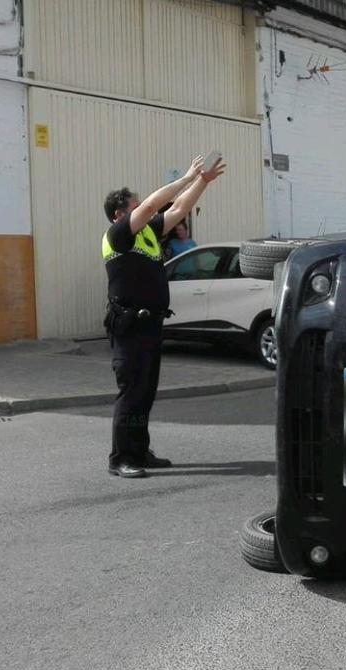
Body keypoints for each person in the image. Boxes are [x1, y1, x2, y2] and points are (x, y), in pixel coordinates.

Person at [101, 155, 226, 478]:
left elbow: (177, 210)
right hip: (129, 325)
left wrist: (202, 182)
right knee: (131, 392)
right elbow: (156, 205)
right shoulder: (119, 234)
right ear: (119, 213)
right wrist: (185, 177)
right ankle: (121, 458)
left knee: (146, 391)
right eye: (136, 205)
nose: (145, 208)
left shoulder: (147, 234)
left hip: (150, 323)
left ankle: (140, 451)